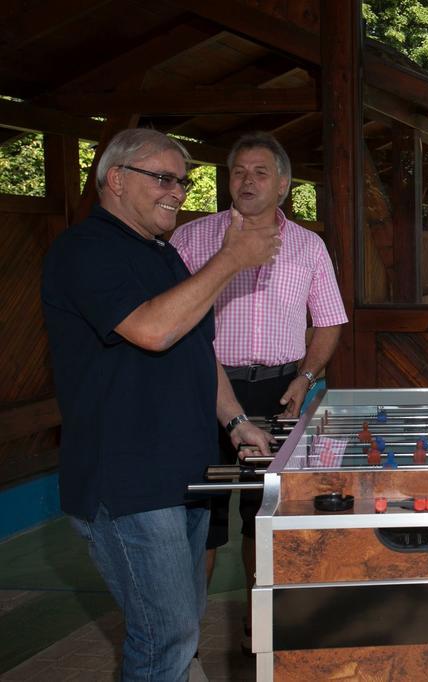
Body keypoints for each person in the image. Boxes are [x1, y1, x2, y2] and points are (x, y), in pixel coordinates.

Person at [41, 128, 278, 681]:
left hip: (182, 473)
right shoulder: (84, 250)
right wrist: (229, 261)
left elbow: (197, 346)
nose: (178, 190)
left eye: (184, 180)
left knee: (181, 626)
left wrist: (236, 419)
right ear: (116, 179)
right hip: (128, 485)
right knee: (164, 636)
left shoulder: (163, 254)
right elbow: (151, 330)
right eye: (164, 178)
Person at [170, 131, 347, 652]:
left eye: (260, 172)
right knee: (199, 513)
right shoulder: (192, 238)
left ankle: (258, 620)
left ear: (284, 185)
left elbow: (330, 321)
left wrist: (304, 378)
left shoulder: (308, 246)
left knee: (263, 513)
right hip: (202, 386)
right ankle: (185, 633)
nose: (247, 181)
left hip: (278, 391)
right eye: (239, 172)